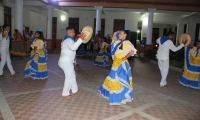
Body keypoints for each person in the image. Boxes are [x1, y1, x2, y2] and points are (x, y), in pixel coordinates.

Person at [99, 30, 137, 105]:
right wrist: (111, 39)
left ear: (125, 35)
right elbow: (113, 46)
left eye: (121, 34)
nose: (119, 35)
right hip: (115, 63)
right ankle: (115, 95)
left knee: (119, 78)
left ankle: (119, 97)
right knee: (113, 78)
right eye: (119, 34)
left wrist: (124, 58)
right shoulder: (118, 42)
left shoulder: (127, 43)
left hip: (121, 64)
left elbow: (132, 51)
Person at [58, 27, 86, 98]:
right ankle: (65, 93)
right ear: (70, 33)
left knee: (72, 75)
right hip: (66, 62)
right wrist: (80, 39)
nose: (75, 33)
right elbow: (73, 48)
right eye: (74, 32)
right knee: (69, 77)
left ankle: (74, 89)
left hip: (66, 61)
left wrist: (79, 39)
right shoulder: (68, 40)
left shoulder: (67, 39)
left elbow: (72, 51)